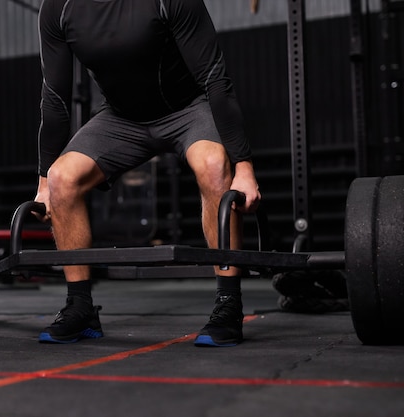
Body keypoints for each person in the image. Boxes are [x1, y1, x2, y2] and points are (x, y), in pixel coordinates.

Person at [33, 0, 261, 347]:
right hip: (121, 119)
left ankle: (228, 303)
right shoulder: (59, 9)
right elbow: (54, 98)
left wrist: (244, 166)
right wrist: (44, 181)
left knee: (213, 166)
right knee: (63, 178)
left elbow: (215, 78)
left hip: (187, 109)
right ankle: (80, 307)